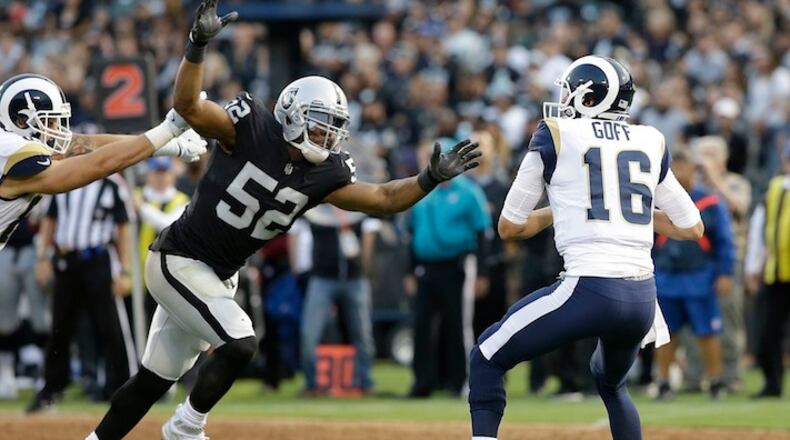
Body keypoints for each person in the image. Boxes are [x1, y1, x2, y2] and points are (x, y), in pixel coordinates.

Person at [86, 2, 481, 439]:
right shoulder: (250, 127)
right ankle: (186, 426)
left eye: (334, 128)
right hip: (178, 260)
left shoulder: (325, 173)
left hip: (218, 275)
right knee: (241, 342)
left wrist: (428, 179)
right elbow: (188, 106)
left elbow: (384, 199)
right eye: (320, 125)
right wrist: (196, 46)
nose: (327, 137)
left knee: (151, 381)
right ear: (292, 114)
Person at [468, 55, 704, 440]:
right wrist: (616, 212)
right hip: (642, 299)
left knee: (486, 358)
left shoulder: (557, 132)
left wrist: (561, 210)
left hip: (589, 289)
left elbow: (510, 225)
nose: (563, 99)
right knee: (612, 383)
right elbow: (691, 226)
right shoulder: (650, 139)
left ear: (589, 98)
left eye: (569, 91)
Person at [0, 73, 207, 251]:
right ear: (21, 121)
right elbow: (99, 164)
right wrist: (168, 129)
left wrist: (168, 144)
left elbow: (90, 143)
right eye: (49, 122)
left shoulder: (10, 141)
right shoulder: (12, 151)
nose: (56, 130)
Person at [27, 175, 138, 412]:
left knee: (111, 327)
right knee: (59, 327)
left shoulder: (112, 184)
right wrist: (42, 258)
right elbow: (50, 220)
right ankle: (51, 388)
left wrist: (125, 270)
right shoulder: (65, 177)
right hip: (66, 260)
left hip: (98, 259)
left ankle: (123, 389)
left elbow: (123, 226)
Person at [406, 141, 491, 398]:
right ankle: (422, 382)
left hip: (457, 265)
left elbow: (482, 233)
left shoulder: (469, 191)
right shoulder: (420, 191)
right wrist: (409, 270)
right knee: (421, 325)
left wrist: (482, 272)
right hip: (425, 267)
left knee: (458, 325)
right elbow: (412, 233)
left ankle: (461, 382)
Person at [652, 149, 736, 401]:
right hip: (667, 277)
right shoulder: (658, 201)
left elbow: (724, 240)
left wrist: (725, 272)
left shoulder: (709, 201)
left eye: (683, 167)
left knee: (707, 332)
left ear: (693, 170)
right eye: (674, 168)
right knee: (666, 334)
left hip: (700, 277)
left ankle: (715, 381)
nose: (679, 173)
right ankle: (663, 382)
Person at [300, 205, 379, 395]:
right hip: (323, 276)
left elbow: (370, 233)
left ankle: (365, 382)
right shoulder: (316, 208)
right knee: (309, 333)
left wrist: (365, 271)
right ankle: (312, 384)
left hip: (354, 278)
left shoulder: (356, 205)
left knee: (362, 333)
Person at [745, 142, 790, 398]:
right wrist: (753, 267)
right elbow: (759, 230)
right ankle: (772, 383)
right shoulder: (774, 189)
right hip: (775, 271)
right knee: (767, 332)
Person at [136, 157, 191, 325]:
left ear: (172, 175)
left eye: (164, 172)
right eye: (156, 172)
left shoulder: (181, 200)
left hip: (167, 275)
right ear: (148, 174)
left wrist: (141, 208)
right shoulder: (135, 194)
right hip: (136, 275)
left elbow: (167, 224)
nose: (160, 177)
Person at [0, 218, 49, 399]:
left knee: (40, 317)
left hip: (34, 247)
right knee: (4, 319)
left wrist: (44, 255)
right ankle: (6, 376)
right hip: (5, 247)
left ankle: (45, 375)